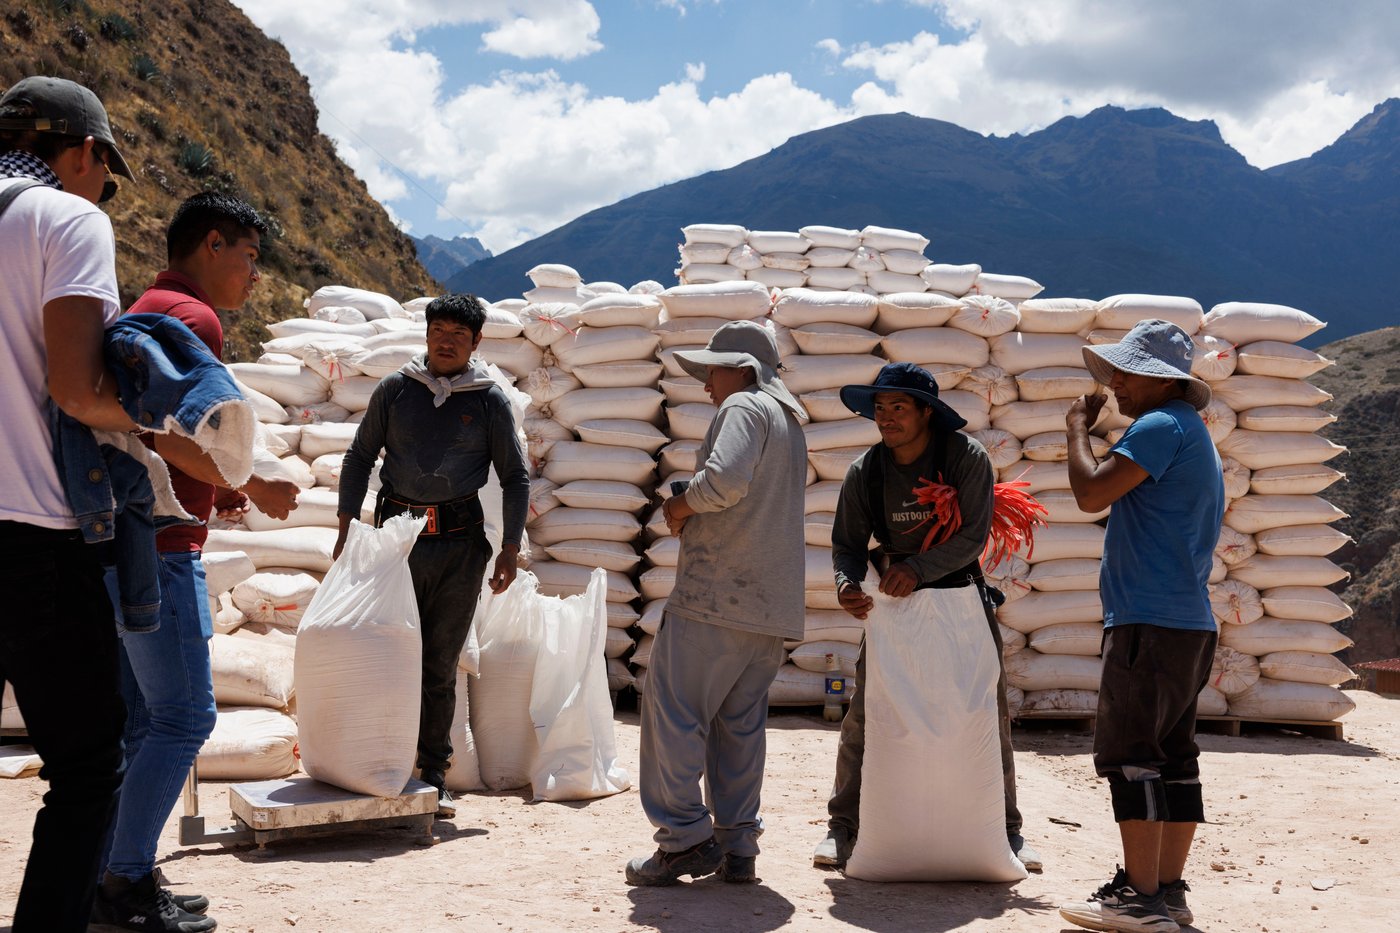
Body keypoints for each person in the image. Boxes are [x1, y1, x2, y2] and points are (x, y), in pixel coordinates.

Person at [91, 192, 300, 933]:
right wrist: (249, 480)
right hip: (164, 542)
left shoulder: (143, 306)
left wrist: (216, 484)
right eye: (247, 256)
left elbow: (147, 429)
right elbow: (163, 429)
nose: (252, 274)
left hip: (123, 535)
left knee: (144, 719)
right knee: (185, 716)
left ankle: (121, 873)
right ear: (211, 245)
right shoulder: (194, 317)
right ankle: (122, 884)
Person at [0, 75, 138, 933]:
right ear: (83, 151)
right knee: (89, 763)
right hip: (28, 534)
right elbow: (77, 389)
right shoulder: (67, 220)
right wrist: (184, 429)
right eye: (106, 172)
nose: (103, 191)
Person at [812, 362, 1042, 873]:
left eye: (898, 408)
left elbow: (973, 537)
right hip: (893, 605)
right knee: (867, 712)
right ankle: (842, 826)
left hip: (960, 596)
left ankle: (1007, 831)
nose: (886, 418)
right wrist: (847, 585)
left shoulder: (965, 458)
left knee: (984, 711)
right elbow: (846, 546)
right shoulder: (866, 471)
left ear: (927, 413)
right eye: (879, 408)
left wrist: (918, 567)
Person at [625, 320, 808, 887]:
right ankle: (737, 846)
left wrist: (681, 506)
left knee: (675, 714)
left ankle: (682, 840)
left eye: (713, 369)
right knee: (739, 726)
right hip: (769, 606)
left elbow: (724, 483)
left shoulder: (745, 409)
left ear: (744, 369)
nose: (707, 382)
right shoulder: (789, 423)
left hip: (716, 596)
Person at [1058, 319, 1224, 933]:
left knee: (1131, 757)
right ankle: (1169, 892)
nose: (1114, 385)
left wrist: (1076, 431)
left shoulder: (1157, 428)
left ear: (1156, 379)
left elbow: (1090, 494)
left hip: (1147, 623)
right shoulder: (1187, 430)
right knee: (1174, 758)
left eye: (1124, 375)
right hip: (1187, 623)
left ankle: (1140, 896)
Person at [336, 292, 529, 817]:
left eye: (459, 335)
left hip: (460, 547)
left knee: (440, 664)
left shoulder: (488, 401)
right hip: (394, 542)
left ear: (476, 343)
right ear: (425, 334)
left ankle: (434, 773)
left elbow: (514, 476)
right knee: (385, 653)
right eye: (439, 331)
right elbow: (358, 459)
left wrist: (509, 548)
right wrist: (346, 527)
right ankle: (379, 762)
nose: (447, 342)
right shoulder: (396, 390)